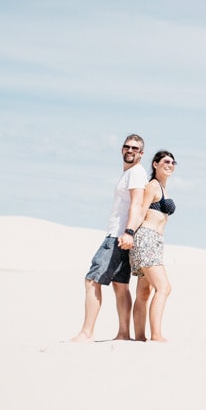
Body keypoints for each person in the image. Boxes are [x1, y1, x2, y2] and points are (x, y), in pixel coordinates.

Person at [70, 134, 148, 342]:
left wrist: (129, 231)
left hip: (118, 235)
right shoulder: (130, 173)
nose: (129, 151)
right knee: (120, 286)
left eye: (134, 148)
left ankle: (87, 333)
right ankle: (123, 334)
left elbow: (137, 203)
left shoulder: (135, 174)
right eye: (126, 147)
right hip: (121, 235)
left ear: (141, 153)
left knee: (92, 280)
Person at [130, 150, 177, 342]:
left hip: (156, 242)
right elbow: (140, 212)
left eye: (173, 162)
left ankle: (140, 338)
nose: (170, 164)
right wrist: (129, 233)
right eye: (166, 161)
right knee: (164, 287)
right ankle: (156, 335)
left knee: (144, 292)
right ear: (155, 164)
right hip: (146, 238)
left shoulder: (164, 188)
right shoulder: (152, 186)